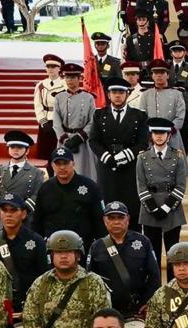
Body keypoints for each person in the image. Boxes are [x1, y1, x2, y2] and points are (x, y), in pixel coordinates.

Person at [86, 203, 159, 322]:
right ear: (104, 220)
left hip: (137, 310)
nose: (116, 222)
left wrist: (148, 301)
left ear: (128, 219)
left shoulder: (142, 242)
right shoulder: (97, 246)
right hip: (107, 311)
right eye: (111, 218)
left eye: (120, 217)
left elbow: (154, 275)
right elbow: (90, 280)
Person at [0, 193, 49, 316]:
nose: (8, 214)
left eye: (13, 210)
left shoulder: (36, 241)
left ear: (23, 214)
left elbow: (44, 277)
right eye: (4, 210)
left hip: (28, 308)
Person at [92, 78, 148, 214]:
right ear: (108, 95)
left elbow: (143, 143)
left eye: (121, 92)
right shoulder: (99, 115)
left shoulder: (139, 116)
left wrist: (124, 156)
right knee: (107, 204)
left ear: (127, 94)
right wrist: (108, 158)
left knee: (131, 206)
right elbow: (93, 140)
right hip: (107, 166)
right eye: (114, 92)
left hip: (130, 167)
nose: (117, 95)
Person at [33, 146, 105, 249]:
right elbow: (37, 222)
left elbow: (100, 221)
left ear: (73, 163)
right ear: (52, 165)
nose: (62, 167)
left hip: (82, 247)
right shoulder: (45, 189)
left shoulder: (90, 187)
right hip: (53, 248)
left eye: (65, 163)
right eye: (58, 164)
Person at [52, 63, 101, 183]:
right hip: (65, 140)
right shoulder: (59, 97)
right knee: (63, 169)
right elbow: (56, 121)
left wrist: (80, 137)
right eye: (67, 77)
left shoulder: (88, 97)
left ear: (79, 78)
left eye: (73, 77)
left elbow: (92, 120)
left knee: (83, 172)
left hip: (82, 140)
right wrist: (64, 139)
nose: (70, 80)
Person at [0, 130, 46, 205]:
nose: (15, 150)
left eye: (20, 147)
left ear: (27, 151)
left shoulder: (37, 173)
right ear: (8, 149)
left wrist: (23, 208)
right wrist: (3, 208)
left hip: (25, 210)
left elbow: (37, 194)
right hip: (4, 210)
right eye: (12, 147)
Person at [33, 53, 67, 159]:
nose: (50, 69)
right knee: (47, 153)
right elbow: (38, 105)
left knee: (61, 152)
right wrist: (43, 122)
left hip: (61, 121)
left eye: (53, 66)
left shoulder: (65, 84)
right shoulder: (41, 85)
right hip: (46, 121)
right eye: (48, 66)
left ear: (59, 68)